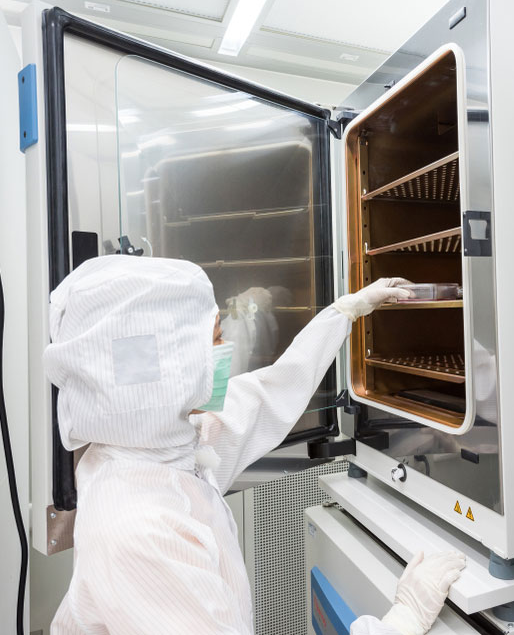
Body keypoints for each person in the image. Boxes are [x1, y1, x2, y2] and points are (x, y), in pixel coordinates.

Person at [44, 255, 465, 635]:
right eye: (213, 337)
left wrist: (345, 312)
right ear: (163, 369)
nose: (225, 347)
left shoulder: (155, 447)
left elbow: (270, 392)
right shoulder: (141, 531)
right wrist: (400, 622)